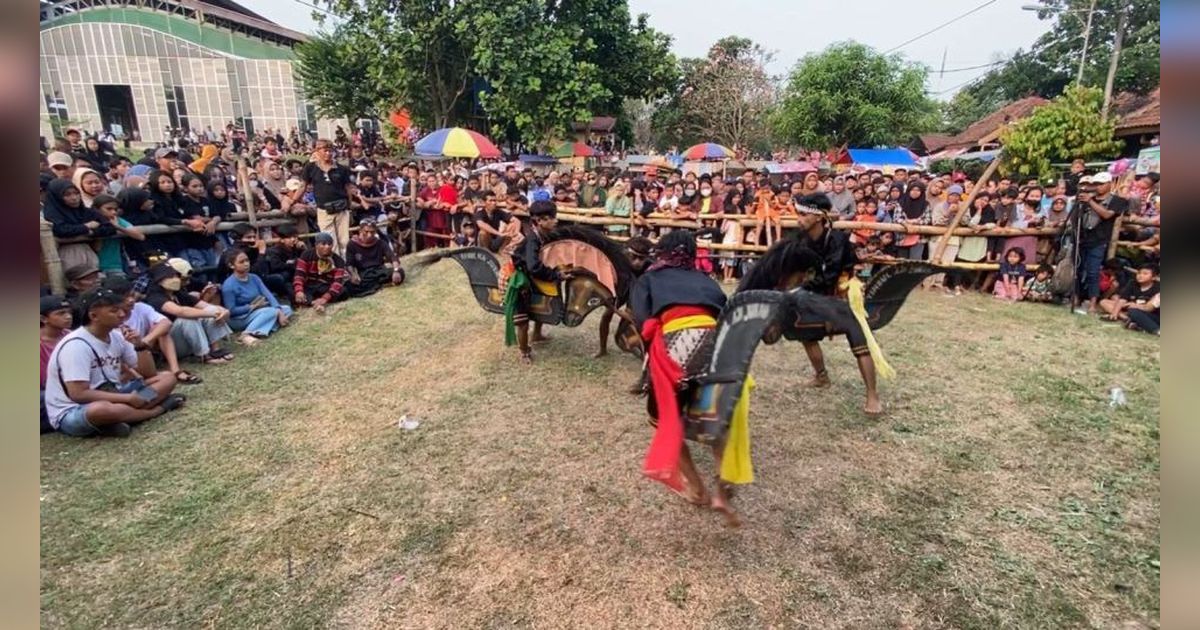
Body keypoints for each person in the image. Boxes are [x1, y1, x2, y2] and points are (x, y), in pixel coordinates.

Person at [628, 230, 742, 526]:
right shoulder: (707, 280)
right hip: (718, 345)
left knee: (666, 420)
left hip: (677, 341)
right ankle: (723, 476)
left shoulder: (649, 279)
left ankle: (697, 489)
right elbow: (724, 313)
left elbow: (642, 322)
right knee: (713, 414)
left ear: (660, 253)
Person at [43, 288, 183, 438]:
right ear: (94, 316)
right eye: (114, 311)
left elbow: (148, 373)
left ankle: (119, 420)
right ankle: (155, 410)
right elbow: (79, 394)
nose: (122, 314)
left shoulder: (116, 336)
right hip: (74, 410)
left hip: (115, 395)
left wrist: (140, 346)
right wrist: (128, 399)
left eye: (121, 309)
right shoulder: (76, 345)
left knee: (167, 378)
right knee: (101, 410)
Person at [791, 193, 883, 416]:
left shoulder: (839, 240)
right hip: (813, 292)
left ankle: (872, 395)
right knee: (803, 331)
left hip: (842, 293)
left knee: (858, 339)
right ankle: (821, 376)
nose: (798, 219)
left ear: (819, 217)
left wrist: (801, 288)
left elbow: (831, 274)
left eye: (803, 214)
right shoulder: (800, 239)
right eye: (798, 213)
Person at [104, 275, 201, 385]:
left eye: (131, 295)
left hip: (143, 352)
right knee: (163, 380)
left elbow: (166, 323)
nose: (131, 300)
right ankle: (144, 387)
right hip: (125, 363)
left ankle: (175, 371)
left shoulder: (140, 307)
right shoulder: (107, 321)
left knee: (161, 330)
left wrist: (143, 342)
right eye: (125, 298)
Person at [504, 200, 566, 364]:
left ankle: (537, 334)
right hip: (519, 279)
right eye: (551, 218)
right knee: (523, 318)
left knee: (542, 298)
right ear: (539, 221)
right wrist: (556, 275)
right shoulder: (532, 239)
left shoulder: (542, 235)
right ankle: (524, 351)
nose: (555, 221)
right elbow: (533, 267)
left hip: (530, 275)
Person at [143, 263, 235, 364]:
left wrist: (223, 311)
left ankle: (216, 350)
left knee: (210, 312)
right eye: (170, 276)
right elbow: (180, 311)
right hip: (170, 346)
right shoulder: (155, 297)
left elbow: (204, 306)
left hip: (184, 341)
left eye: (175, 275)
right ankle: (205, 356)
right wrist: (212, 313)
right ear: (159, 280)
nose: (175, 279)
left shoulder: (178, 293)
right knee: (187, 319)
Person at [1071, 172, 1130, 315]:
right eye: (1096, 184)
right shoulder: (1083, 199)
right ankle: (1076, 297)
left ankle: (1092, 302)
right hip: (1081, 237)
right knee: (1078, 269)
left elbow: (1107, 215)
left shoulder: (1117, 200)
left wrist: (1091, 201)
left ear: (1109, 184)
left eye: (1101, 184)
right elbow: (1075, 217)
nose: (1098, 187)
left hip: (1099, 240)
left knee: (1093, 271)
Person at [221, 249, 293, 345]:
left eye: (247, 260)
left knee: (286, 309)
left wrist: (278, 310)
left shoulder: (254, 277)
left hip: (259, 311)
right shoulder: (228, 285)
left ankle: (261, 328)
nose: (246, 264)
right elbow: (231, 311)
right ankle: (246, 334)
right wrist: (251, 307)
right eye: (241, 262)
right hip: (240, 318)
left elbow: (268, 295)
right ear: (231, 265)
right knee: (271, 312)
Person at [296, 139, 354, 257]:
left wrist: (350, 206)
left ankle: (347, 266)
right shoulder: (311, 168)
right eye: (325, 150)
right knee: (329, 240)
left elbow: (348, 188)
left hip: (341, 208)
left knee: (344, 240)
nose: (328, 153)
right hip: (324, 209)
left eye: (330, 151)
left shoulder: (341, 169)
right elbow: (303, 186)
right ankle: (335, 266)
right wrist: (294, 200)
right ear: (317, 151)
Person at [345, 218, 405, 296]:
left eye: (372, 232)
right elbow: (349, 264)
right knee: (349, 286)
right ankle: (379, 285)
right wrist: (353, 274)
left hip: (380, 271)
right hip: (365, 274)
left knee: (400, 272)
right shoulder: (352, 244)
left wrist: (396, 270)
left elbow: (392, 257)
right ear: (360, 231)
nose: (369, 235)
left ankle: (375, 285)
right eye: (366, 232)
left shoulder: (380, 242)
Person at [293, 232, 349, 314]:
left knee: (343, 291)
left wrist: (325, 298)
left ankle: (311, 302)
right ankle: (314, 303)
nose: (327, 246)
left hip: (325, 287)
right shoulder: (306, 255)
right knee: (292, 289)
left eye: (329, 244)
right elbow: (299, 274)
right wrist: (299, 291)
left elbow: (337, 282)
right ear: (316, 245)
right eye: (323, 244)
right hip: (309, 285)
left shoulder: (338, 260)